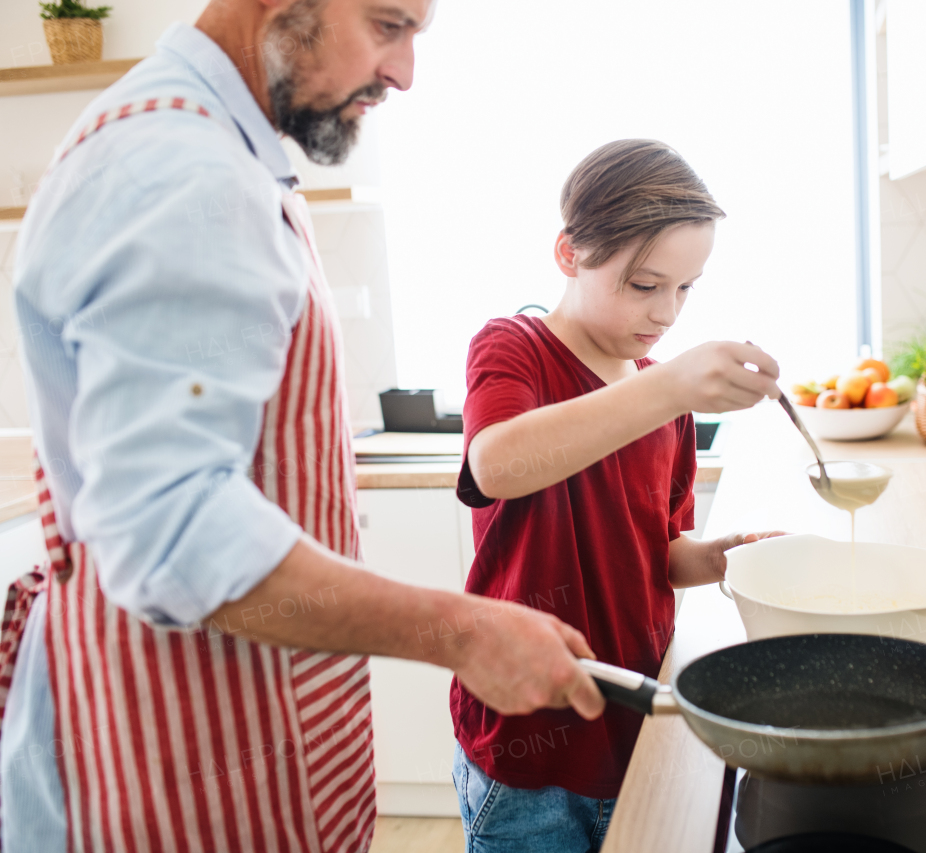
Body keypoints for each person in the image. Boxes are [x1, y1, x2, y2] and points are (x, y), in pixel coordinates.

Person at [3, 0, 603, 849]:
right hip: (170, 762)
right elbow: (171, 532)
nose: (403, 73)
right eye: (388, 25)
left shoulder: (221, 152)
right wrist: (463, 630)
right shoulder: (185, 172)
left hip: (231, 730)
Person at [451, 139, 784, 853]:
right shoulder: (513, 347)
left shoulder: (670, 395)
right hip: (528, 747)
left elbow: (663, 552)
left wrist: (721, 557)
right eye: (644, 284)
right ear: (569, 254)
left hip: (635, 728)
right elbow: (499, 464)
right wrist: (665, 386)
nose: (667, 311)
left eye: (686, 288)